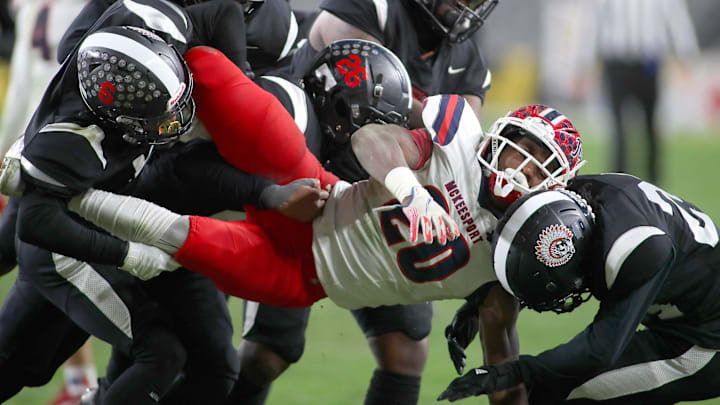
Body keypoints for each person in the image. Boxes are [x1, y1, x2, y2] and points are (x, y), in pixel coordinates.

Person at [66, 48, 584, 405]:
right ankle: (149, 49)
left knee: (179, 238)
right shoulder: (459, 144)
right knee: (243, 101)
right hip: (311, 200)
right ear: (502, 131)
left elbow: (503, 369)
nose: (522, 164)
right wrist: (407, 191)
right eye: (524, 145)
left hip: (304, 280)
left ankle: (61, 190)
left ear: (553, 187)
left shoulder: (510, 259)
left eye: (540, 163)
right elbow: (373, 142)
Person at [242, 0, 497, 402]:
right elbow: (360, 91)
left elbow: (459, 151)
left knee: (406, 351)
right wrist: (432, 119)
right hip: (311, 184)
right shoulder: (372, 7)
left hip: (387, 202)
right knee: (269, 354)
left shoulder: (469, 62)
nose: (465, 5)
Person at [225, 38, 415, 404]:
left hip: (265, 226)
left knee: (263, 352)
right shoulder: (287, 115)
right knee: (189, 344)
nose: (374, 146)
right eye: (369, 127)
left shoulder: (330, 155)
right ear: (337, 109)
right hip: (183, 213)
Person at [438, 175, 720, 404]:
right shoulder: (573, 202)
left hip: (705, 344)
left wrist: (513, 372)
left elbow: (600, 349)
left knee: (557, 393)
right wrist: (478, 305)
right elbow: (540, 254)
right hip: (682, 316)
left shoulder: (635, 248)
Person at [291, 0, 497, 126]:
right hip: (306, 124)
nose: (464, 6)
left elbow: (465, 134)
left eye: (474, 1)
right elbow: (371, 97)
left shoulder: (469, 57)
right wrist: (443, 127)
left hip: (372, 165)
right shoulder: (373, 7)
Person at [585, 0, 699, 183]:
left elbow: (676, 20)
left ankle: (654, 180)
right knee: (618, 126)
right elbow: (594, 24)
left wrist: (685, 54)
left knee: (651, 123)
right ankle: (618, 180)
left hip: (648, 63)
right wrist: (587, 62)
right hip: (616, 63)